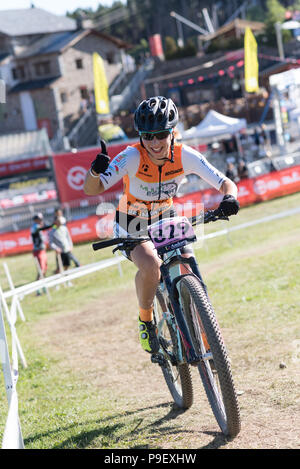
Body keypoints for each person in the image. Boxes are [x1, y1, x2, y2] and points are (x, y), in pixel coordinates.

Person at [83, 96, 239, 354]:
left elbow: (225, 182)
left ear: (172, 132)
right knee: (151, 264)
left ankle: (206, 331)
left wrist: (230, 197)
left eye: (161, 134)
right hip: (131, 220)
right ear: (141, 136)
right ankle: (146, 320)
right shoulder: (131, 156)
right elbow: (93, 189)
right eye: (148, 136)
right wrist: (94, 171)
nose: (155, 142)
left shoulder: (184, 155)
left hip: (166, 215)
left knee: (188, 263)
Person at [30, 213, 53, 289]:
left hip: (41, 250)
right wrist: (52, 225)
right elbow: (42, 229)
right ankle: (38, 289)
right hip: (38, 251)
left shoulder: (37, 225)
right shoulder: (35, 227)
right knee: (41, 270)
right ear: (36, 220)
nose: (41, 221)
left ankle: (43, 286)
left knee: (44, 268)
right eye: (39, 219)